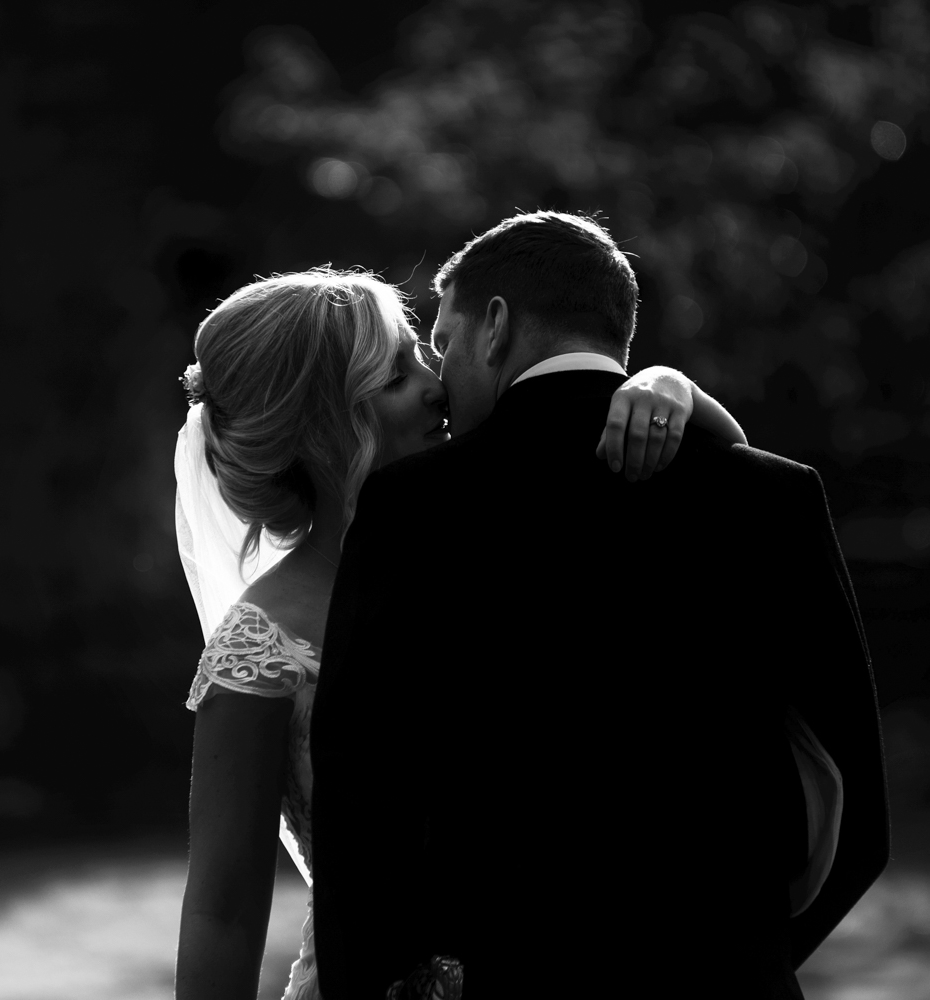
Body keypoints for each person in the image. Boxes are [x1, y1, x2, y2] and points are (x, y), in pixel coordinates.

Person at [310, 212, 890, 1000]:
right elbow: (855, 803)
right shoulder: (774, 494)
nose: (442, 378)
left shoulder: (414, 506)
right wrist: (748, 954)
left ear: (496, 326)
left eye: (444, 342)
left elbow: (359, 795)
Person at [172, 264, 752, 1000]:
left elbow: (728, 501)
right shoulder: (261, 646)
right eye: (393, 376)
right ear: (324, 421)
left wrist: (668, 387)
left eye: (423, 355)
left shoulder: (501, 539)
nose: (435, 384)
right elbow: (222, 910)